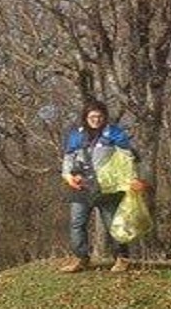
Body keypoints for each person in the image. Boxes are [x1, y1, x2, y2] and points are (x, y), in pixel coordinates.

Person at [60, 98, 148, 273]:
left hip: (108, 187)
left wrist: (134, 179)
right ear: (86, 117)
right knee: (77, 223)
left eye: (99, 116)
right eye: (92, 116)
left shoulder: (115, 134)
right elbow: (68, 157)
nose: (96, 120)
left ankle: (122, 258)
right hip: (81, 186)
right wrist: (68, 176)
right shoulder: (76, 135)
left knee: (114, 223)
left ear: (104, 117)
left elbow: (127, 158)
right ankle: (81, 258)